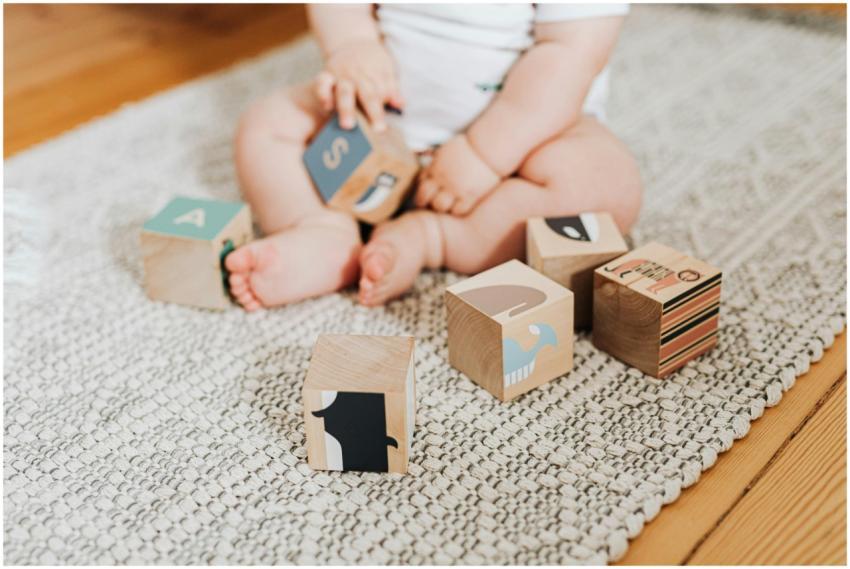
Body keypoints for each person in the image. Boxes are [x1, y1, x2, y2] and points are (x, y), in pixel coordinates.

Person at [226, 4, 642, 310]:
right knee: (267, 125)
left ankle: (434, 238)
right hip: (379, 123)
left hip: (516, 144)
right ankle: (324, 231)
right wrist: (351, 46)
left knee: (605, 185)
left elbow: (571, 55)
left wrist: (484, 154)